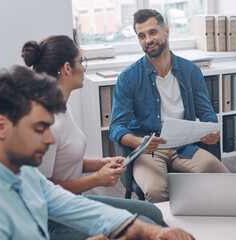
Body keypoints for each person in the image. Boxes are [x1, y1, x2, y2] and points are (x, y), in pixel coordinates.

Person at [0, 65, 194, 240]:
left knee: (150, 220)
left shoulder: (24, 173)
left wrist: (147, 231)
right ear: (1, 127)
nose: (50, 139)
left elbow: (72, 205)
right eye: (39, 129)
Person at [21, 35, 164, 238]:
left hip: (70, 202)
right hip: (47, 217)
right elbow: (42, 189)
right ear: (67, 68)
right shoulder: (46, 122)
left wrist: (102, 162)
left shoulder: (63, 107)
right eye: (81, 62)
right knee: (144, 225)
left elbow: (65, 160)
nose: (84, 68)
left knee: (153, 212)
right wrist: (97, 179)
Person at [109, 9, 230, 203]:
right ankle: (166, 232)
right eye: (142, 36)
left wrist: (212, 130)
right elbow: (116, 127)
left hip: (185, 147)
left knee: (225, 181)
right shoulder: (128, 78)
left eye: (153, 32)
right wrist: (139, 142)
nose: (148, 39)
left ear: (166, 31)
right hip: (149, 151)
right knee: (156, 190)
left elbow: (207, 113)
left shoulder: (190, 70)